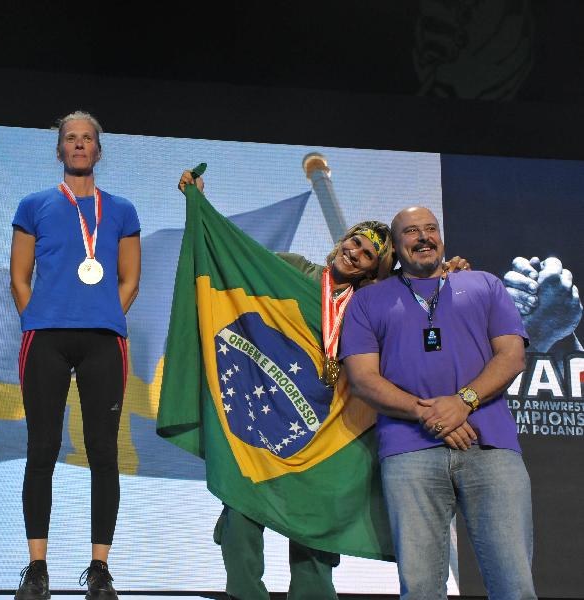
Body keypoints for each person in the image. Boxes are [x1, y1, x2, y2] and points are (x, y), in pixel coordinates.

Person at [177, 169, 396, 600]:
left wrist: (449, 271)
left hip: (328, 430)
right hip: (266, 418)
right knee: (240, 514)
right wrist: (201, 208)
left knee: (314, 535)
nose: (354, 252)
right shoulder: (294, 269)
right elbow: (237, 263)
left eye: (367, 254)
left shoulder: (372, 307)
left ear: (374, 270)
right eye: (354, 241)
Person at [341, 206, 535, 599]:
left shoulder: (484, 284)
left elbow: (512, 356)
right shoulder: (367, 302)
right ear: (396, 247)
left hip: (491, 446)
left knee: (514, 585)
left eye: (431, 229)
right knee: (422, 589)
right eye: (412, 232)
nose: (424, 237)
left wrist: (463, 402)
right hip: (409, 451)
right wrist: (428, 413)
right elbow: (363, 379)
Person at [10, 111, 141, 600]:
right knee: (41, 447)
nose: (80, 145)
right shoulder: (35, 205)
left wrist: (103, 310)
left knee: (104, 451)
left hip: (103, 340)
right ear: (60, 150)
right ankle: (37, 569)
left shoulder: (122, 210)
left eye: (88, 139)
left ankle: (100, 570)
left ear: (99, 151)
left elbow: (129, 279)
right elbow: (19, 276)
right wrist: (38, 316)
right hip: (46, 337)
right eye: (71, 138)